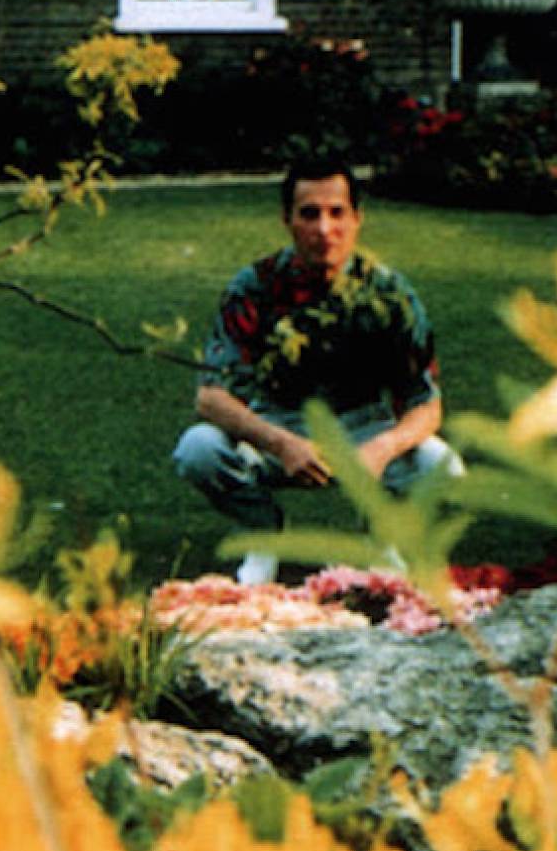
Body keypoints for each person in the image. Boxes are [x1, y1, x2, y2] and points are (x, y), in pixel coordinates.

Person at [173, 160, 462, 583]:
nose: (324, 229)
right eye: (309, 214)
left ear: (357, 219)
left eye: (336, 213)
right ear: (287, 220)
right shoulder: (254, 287)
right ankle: (262, 534)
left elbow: (425, 404)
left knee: (442, 464)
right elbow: (211, 395)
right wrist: (282, 443)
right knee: (198, 449)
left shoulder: (389, 294)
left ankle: (384, 538)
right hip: (275, 424)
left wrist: (382, 449)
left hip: (362, 428)